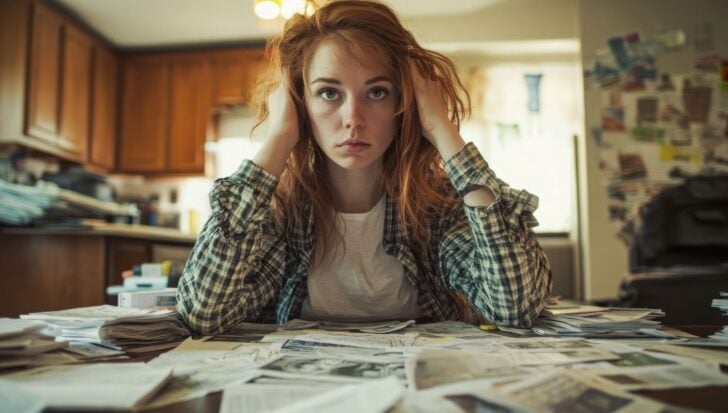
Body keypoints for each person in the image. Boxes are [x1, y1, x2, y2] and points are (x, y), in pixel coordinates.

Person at [177, 0, 552, 334]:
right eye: (328, 93)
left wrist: (442, 128)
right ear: (299, 104)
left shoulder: (438, 209)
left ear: (405, 103)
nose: (353, 118)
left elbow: (514, 309)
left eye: (377, 92)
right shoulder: (276, 213)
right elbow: (203, 313)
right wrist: (278, 138)